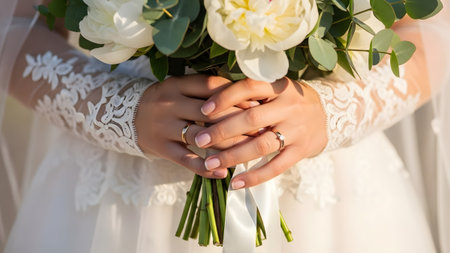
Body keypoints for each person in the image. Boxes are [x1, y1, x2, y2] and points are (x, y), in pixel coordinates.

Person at [0, 0, 449, 253]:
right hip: (121, 192)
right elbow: (15, 25)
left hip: (323, 195)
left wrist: (331, 113)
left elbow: (428, 33)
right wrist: (119, 111)